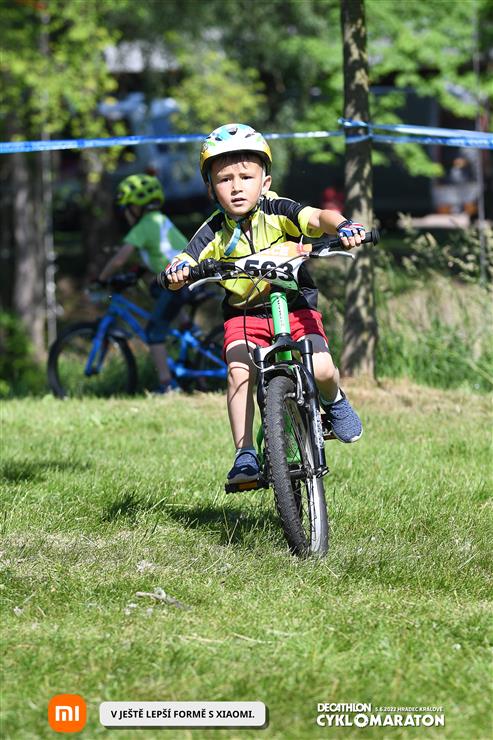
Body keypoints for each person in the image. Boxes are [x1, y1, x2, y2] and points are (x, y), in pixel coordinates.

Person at [166, 123, 366, 483]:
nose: (236, 187)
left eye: (246, 177)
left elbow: (318, 217)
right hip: (243, 314)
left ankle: (334, 401)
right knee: (238, 371)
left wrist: (343, 226)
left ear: (265, 182)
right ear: (211, 188)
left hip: (294, 304)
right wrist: (177, 271)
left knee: (322, 368)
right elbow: (185, 258)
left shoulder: (278, 209)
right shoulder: (213, 231)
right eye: (224, 179)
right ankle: (244, 453)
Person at [99, 173, 189, 393]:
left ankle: (167, 386)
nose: (125, 214)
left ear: (135, 207)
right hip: (187, 280)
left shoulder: (143, 226)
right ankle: (188, 328)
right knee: (156, 291)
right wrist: (139, 271)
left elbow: (119, 259)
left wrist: (101, 278)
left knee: (153, 333)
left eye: (126, 209)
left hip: (177, 283)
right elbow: (160, 253)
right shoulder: (161, 220)